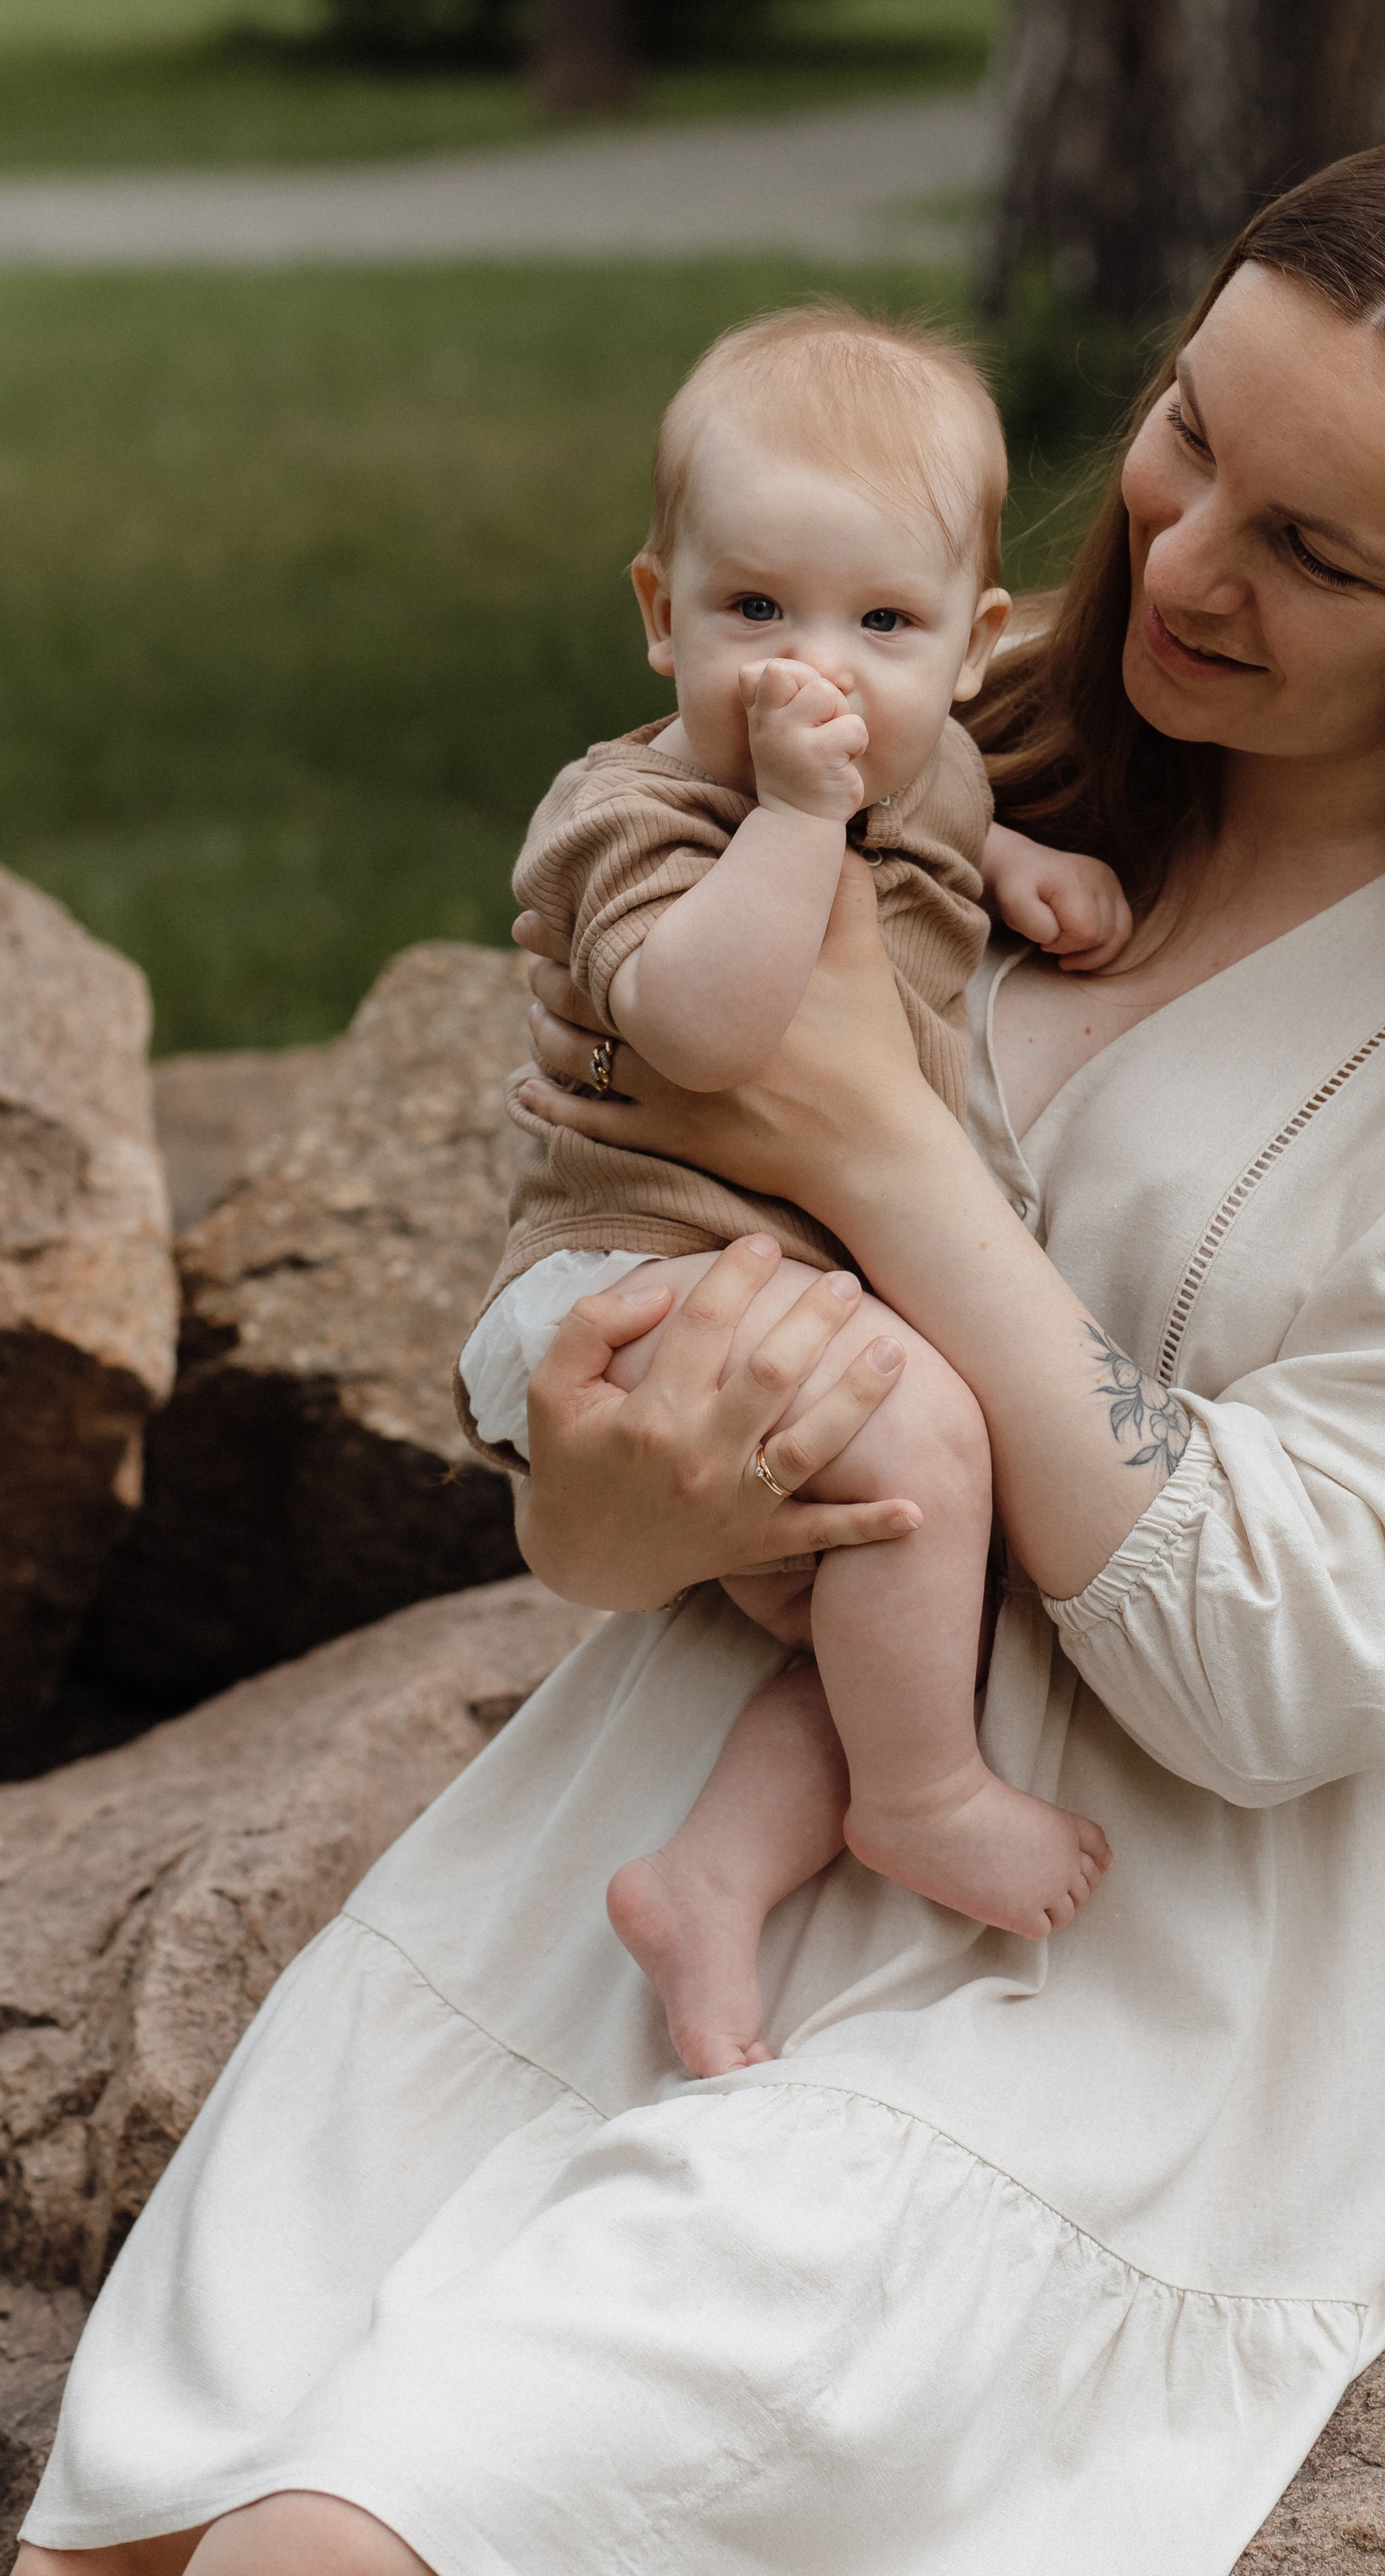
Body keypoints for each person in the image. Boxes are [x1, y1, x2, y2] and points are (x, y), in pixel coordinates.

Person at [7, 134, 1385, 2576]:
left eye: (1318, 550)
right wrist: (613, 1485)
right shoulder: (917, 731)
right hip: (680, 1833)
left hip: (1123, 1956)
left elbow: (1275, 1673)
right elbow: (580, 1386)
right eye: (1192, 436)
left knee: (329, 2566)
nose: (1183, 563)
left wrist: (890, 1149)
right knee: (124, 2551)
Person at [456, 304, 1125, 2075]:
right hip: (624, 1283)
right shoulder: (635, 814)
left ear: (974, 643)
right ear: (661, 611)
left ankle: (710, 1882)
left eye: (881, 623)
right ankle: (923, 1796)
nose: (812, 671)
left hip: (767, 1296)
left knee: (914, 1584)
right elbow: (703, 1027)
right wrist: (793, 825)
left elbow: (945, 821)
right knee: (923, 1456)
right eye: (754, 611)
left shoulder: (928, 762)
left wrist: (1021, 864)